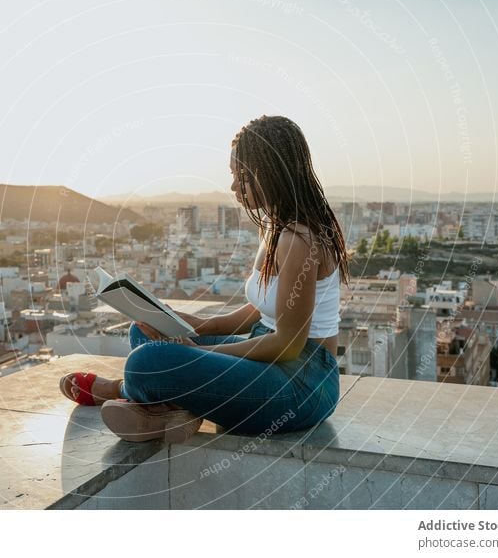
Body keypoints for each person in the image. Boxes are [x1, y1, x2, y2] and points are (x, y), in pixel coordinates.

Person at [60, 115, 351, 443]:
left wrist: (200, 354)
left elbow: (287, 344)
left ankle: (123, 391)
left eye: (241, 176)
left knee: (148, 361)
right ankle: (174, 410)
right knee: (146, 332)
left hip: (303, 382)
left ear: (270, 173)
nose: (233, 187)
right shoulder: (274, 226)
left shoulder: (298, 239)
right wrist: (196, 326)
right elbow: (263, 310)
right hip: (267, 357)